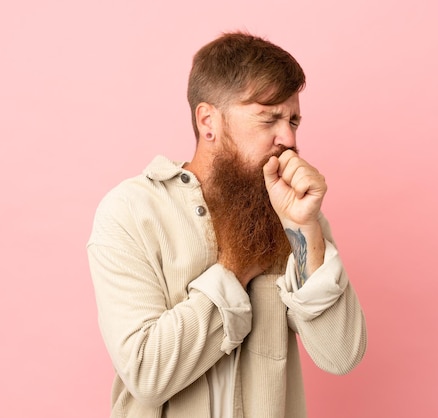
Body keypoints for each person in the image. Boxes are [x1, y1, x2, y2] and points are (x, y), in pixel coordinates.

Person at [87, 31, 367, 418]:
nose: (288, 137)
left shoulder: (296, 215)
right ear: (208, 122)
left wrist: (305, 230)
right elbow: (146, 373)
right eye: (269, 117)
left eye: (294, 120)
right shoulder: (130, 211)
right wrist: (236, 267)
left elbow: (341, 355)